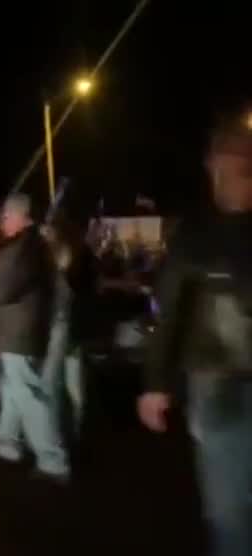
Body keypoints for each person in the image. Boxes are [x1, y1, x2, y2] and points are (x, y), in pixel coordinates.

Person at [138, 108, 252, 556]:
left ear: (214, 165)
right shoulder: (195, 235)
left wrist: (155, 385)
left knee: (228, 513)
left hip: (215, 383)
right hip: (214, 383)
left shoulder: (195, 234)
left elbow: (168, 314)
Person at [0, 193, 67, 481]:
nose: (2, 222)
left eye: (6, 217)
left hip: (17, 333)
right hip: (13, 332)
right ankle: (7, 444)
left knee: (26, 394)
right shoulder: (24, 247)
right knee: (12, 392)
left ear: (20, 216)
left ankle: (52, 460)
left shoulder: (24, 249)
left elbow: (1, 292)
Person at [41, 218, 98, 449]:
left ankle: (62, 438)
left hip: (64, 332)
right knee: (71, 388)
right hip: (70, 332)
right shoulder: (75, 266)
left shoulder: (67, 270)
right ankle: (70, 434)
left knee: (57, 387)